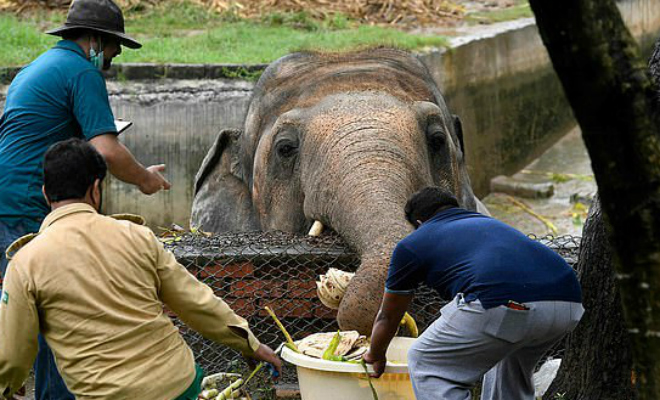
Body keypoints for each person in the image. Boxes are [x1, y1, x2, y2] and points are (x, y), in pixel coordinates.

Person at [0, 139, 282, 399]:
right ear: (96, 189)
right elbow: (196, 301)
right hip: (177, 383)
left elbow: (12, 354)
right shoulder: (137, 236)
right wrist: (251, 344)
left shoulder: (26, 262)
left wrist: (7, 386)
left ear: (45, 193)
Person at [0, 1, 170, 397]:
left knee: (25, 309)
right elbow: (107, 150)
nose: (114, 57)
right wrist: (145, 179)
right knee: (61, 313)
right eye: (113, 48)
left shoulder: (37, 68)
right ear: (94, 41)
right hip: (29, 203)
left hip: (7, 198)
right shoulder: (81, 72)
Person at [363, 186, 584, 400]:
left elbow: (388, 316)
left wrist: (376, 353)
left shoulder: (413, 243)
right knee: (507, 371)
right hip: (568, 304)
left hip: (506, 303)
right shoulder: (489, 224)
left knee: (427, 362)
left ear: (418, 223)